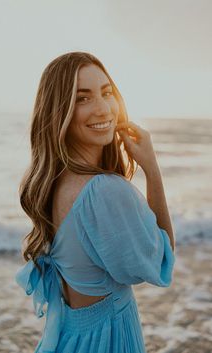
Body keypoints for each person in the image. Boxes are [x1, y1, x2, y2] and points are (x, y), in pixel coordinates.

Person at [15, 51, 175, 353]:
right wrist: (152, 169)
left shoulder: (53, 183)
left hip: (70, 338)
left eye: (107, 92)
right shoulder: (104, 190)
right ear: (58, 111)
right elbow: (160, 262)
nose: (104, 109)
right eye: (82, 98)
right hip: (108, 340)